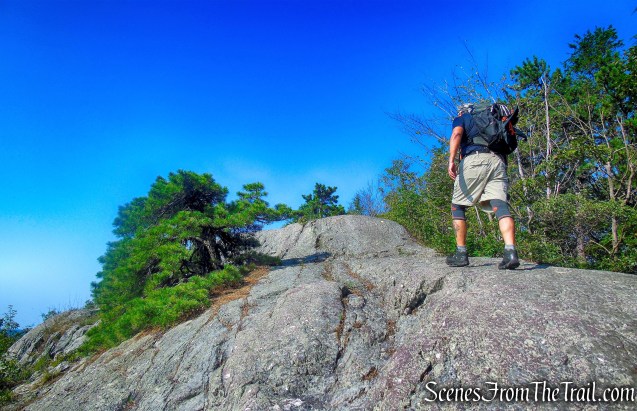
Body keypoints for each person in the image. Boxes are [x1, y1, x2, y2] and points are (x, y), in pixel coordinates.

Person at [446, 103, 520, 269]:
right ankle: (510, 252)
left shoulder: (463, 118)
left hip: (475, 159)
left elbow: (457, 134)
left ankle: (461, 253)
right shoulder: (492, 120)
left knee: (457, 205)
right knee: (500, 205)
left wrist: (451, 160)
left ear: (463, 111)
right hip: (498, 162)